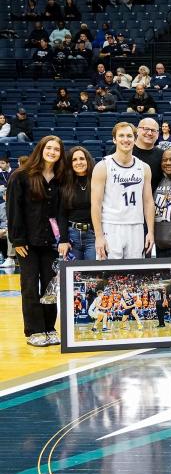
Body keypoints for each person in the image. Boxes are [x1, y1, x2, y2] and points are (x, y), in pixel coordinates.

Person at [7, 136, 70, 346]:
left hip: (51, 243)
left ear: (61, 154)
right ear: (41, 149)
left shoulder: (60, 178)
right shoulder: (21, 176)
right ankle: (34, 330)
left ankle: (49, 327)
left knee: (50, 288)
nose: (52, 152)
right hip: (27, 243)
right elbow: (13, 210)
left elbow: (62, 212)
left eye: (57, 149)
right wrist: (17, 240)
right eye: (49, 148)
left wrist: (63, 238)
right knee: (30, 286)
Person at [91, 122, 154, 260]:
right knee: (109, 275)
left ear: (135, 139)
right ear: (114, 139)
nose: (126, 139)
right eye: (121, 136)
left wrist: (150, 231)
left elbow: (148, 202)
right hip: (110, 225)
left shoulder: (144, 168)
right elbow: (95, 204)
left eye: (129, 136)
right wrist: (98, 236)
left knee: (134, 276)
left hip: (136, 225)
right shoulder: (103, 166)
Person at [62, 146, 97, 260]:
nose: (79, 162)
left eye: (82, 158)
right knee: (74, 276)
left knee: (93, 275)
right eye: (74, 160)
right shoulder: (65, 183)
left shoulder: (97, 180)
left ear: (87, 160)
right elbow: (61, 214)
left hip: (93, 235)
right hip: (72, 236)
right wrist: (63, 240)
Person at [134, 117, 164, 191]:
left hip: (152, 200)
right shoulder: (121, 150)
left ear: (158, 135)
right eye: (146, 129)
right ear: (137, 130)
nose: (150, 133)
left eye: (153, 130)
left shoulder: (162, 155)